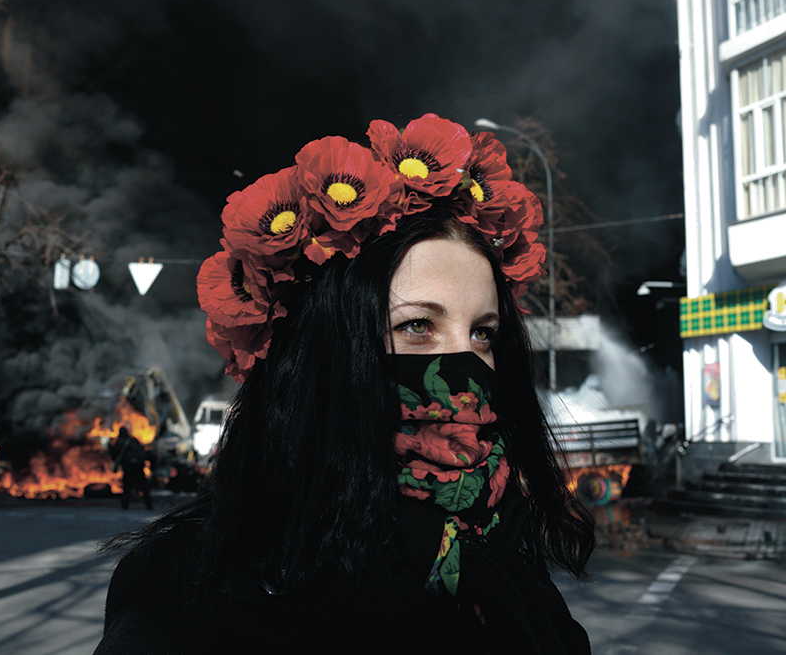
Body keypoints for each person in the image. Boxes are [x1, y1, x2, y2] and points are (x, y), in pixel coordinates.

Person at [95, 114, 595, 653]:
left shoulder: (505, 543)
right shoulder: (191, 591)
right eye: (417, 326)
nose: (462, 363)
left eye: (482, 332)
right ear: (322, 354)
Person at [110, 427, 153, 510]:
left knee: (127, 487)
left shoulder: (120, 442)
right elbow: (142, 452)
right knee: (144, 487)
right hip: (138, 467)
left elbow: (114, 454)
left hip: (128, 468)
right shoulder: (133, 440)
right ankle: (149, 504)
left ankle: (125, 505)